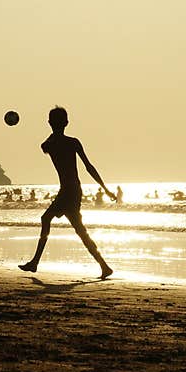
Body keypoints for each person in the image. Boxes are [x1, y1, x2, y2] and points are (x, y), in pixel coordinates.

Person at [19, 106, 115, 279]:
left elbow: (46, 146)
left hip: (68, 191)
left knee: (47, 219)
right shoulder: (73, 142)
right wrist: (106, 189)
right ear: (67, 123)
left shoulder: (50, 143)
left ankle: (35, 263)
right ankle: (104, 266)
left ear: (49, 123)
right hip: (73, 189)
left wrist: (106, 189)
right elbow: (89, 167)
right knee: (79, 229)